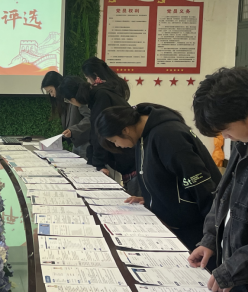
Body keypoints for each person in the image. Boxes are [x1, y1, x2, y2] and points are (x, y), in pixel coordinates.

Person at [95, 103, 222, 251]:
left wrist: (211, 237)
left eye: (114, 141)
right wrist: (152, 198)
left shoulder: (168, 136)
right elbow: (166, 177)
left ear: (125, 130)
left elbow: (201, 186)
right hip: (173, 224)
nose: (117, 145)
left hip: (195, 230)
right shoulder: (143, 136)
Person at [188, 67, 248, 292]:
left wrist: (235, 268)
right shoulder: (242, 143)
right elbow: (225, 196)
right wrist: (211, 239)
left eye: (226, 128)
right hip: (237, 284)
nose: (225, 135)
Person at [59, 75, 138, 194]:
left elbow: (99, 133)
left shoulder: (100, 98)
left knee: (136, 197)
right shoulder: (99, 94)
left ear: (73, 98)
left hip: (131, 160)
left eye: (68, 100)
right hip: (129, 158)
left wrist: (99, 163)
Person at [41, 71, 91, 158]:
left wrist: (73, 130)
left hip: (87, 142)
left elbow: (90, 118)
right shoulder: (63, 101)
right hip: (77, 142)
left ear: (57, 86)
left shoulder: (75, 96)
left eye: (51, 91)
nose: (51, 95)